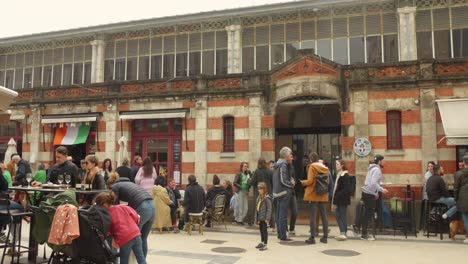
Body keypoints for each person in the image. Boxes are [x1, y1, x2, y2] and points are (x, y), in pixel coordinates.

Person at [108, 175, 155, 258]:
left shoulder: (115, 186)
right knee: (143, 238)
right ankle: (142, 261)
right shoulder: (131, 185)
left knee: (133, 236)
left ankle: (132, 260)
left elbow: (114, 207)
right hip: (152, 206)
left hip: (142, 207)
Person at [94, 192, 146, 264]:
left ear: (104, 205)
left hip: (124, 238)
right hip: (136, 233)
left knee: (124, 260)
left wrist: (112, 238)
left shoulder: (107, 215)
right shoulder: (122, 207)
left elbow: (108, 230)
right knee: (141, 258)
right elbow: (136, 216)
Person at [301, 152, 329, 244]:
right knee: (324, 216)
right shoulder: (325, 168)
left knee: (313, 216)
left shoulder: (312, 167)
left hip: (313, 194)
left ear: (311, 159)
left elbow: (310, 181)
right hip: (323, 194)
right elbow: (327, 182)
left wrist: (302, 182)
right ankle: (325, 237)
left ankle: (312, 237)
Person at [360, 154, 388, 241]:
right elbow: (373, 183)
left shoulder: (371, 168)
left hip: (366, 193)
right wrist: (381, 190)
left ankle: (362, 232)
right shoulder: (377, 170)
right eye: (383, 161)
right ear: (379, 162)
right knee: (368, 214)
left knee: (367, 214)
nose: (384, 162)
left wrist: (375, 192)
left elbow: (367, 181)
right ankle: (364, 234)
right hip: (369, 194)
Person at [272, 147, 295, 242]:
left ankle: (280, 234)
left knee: (278, 214)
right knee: (283, 215)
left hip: (277, 192)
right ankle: (283, 236)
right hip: (284, 192)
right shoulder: (283, 165)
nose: (292, 157)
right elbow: (283, 180)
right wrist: (291, 184)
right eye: (290, 156)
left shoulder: (278, 164)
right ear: (286, 156)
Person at [332, 159, 351, 241]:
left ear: (342, 165)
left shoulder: (345, 175)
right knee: (339, 215)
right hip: (340, 199)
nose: (336, 165)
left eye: (337, 164)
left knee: (341, 215)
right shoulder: (340, 174)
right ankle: (342, 232)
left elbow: (346, 189)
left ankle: (343, 233)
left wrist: (338, 195)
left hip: (342, 200)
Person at [454, 155, 468, 244]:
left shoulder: (458, 173)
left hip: (463, 197)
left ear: (464, 163)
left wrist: (456, 198)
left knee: (466, 218)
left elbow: (456, 188)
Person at [255, 182, 272, 251]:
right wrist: (256, 218)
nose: (259, 191)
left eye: (261, 189)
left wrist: (267, 218)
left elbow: (269, 209)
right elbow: (257, 209)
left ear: (264, 190)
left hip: (264, 219)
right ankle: (262, 242)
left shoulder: (267, 198)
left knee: (265, 231)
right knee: (261, 231)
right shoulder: (259, 198)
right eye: (259, 189)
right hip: (260, 218)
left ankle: (265, 244)